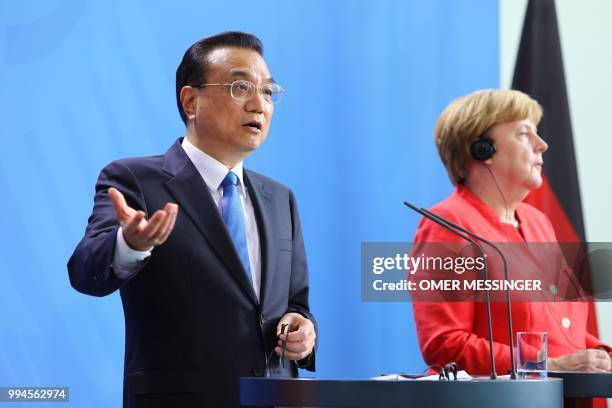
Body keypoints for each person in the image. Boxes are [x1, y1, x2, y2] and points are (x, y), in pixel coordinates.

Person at [68, 31, 316, 408]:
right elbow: (85, 271)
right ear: (190, 101)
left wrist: (302, 330)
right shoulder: (134, 180)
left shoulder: (280, 198)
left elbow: (295, 303)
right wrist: (130, 245)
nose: (259, 104)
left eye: (268, 92)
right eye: (240, 87)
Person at [411, 89, 611, 381]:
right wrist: (549, 365)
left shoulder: (538, 222)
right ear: (483, 150)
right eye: (523, 134)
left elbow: (563, 331)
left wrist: (601, 355)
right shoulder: (448, 225)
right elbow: (445, 345)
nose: (542, 145)